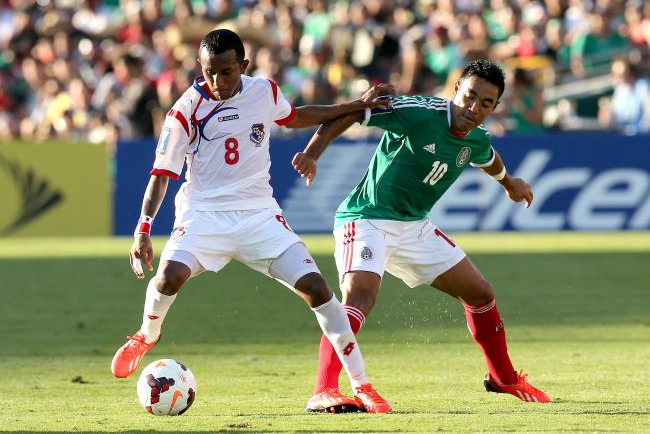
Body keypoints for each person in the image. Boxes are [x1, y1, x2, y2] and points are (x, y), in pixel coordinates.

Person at [110, 29, 396, 413]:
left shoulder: (263, 91)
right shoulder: (185, 109)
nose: (217, 81)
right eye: (209, 72)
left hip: (259, 214)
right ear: (200, 67)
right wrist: (143, 228)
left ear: (242, 66)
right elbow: (162, 173)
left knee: (318, 289)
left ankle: (361, 385)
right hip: (204, 214)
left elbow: (296, 117)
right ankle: (146, 335)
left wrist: (354, 106)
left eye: (226, 72)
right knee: (168, 277)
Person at [292, 59, 551, 412]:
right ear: (456, 88)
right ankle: (324, 389)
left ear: (494, 107)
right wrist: (311, 154)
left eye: (486, 103)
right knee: (360, 297)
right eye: (470, 96)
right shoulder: (418, 111)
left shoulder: (475, 136)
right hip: (366, 218)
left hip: (414, 226)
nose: (474, 108)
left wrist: (509, 183)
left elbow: (487, 156)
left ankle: (503, 378)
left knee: (480, 293)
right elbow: (352, 114)